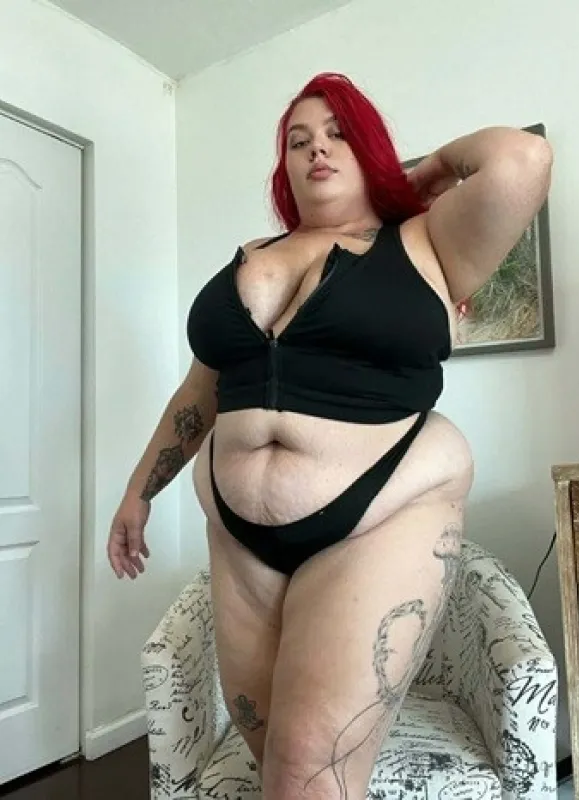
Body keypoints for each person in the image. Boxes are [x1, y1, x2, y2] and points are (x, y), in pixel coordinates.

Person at [107, 72, 552, 799]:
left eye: (338, 133)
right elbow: (198, 393)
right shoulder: (251, 255)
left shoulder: (428, 239)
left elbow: (521, 160)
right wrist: (138, 491)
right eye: (298, 140)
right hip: (240, 539)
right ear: (282, 166)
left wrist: (428, 171)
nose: (317, 149)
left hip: (379, 516)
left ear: (370, 148)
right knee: (274, 761)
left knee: (306, 768)